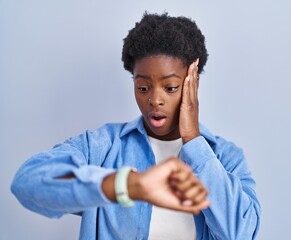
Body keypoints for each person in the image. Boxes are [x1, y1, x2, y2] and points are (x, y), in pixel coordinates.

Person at [11, 12, 261, 239]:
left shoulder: (225, 157)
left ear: (191, 85)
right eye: (143, 87)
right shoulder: (103, 147)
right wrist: (128, 186)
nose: (154, 99)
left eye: (170, 87)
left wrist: (194, 140)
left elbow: (242, 233)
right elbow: (28, 183)